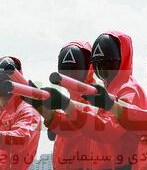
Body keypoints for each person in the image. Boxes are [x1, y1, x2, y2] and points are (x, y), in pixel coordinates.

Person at [80, 31, 147, 170]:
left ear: (122, 60)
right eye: (98, 66)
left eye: (107, 65)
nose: (102, 70)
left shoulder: (129, 90)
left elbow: (108, 130)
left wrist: (71, 110)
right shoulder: (108, 91)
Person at [43, 41, 110, 170]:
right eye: (66, 71)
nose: (69, 75)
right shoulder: (68, 101)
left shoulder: (94, 99)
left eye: (74, 70)